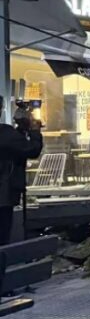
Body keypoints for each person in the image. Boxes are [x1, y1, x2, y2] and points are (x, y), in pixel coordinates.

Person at [0, 99, 43, 246]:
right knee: (2, 236)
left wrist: (20, 129)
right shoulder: (4, 133)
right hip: (3, 195)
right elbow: (32, 149)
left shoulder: (7, 134)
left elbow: (14, 145)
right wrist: (34, 129)